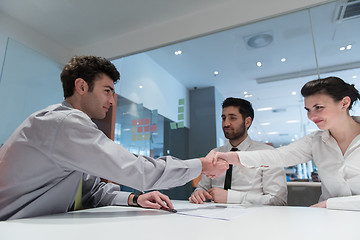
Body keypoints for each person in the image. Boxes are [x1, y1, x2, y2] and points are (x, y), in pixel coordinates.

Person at [0, 56, 228, 220]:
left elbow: (91, 191)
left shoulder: (70, 127)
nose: (112, 100)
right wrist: (202, 165)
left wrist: (134, 199)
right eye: (107, 90)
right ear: (81, 86)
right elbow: (140, 171)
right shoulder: (64, 123)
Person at [214, 77, 360, 211]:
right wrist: (227, 157)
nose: (311, 116)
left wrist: (330, 204)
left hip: (328, 210)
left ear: (344, 103)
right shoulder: (315, 140)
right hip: (329, 220)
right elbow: (279, 156)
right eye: (308, 110)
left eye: (319, 107)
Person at [189, 97, 287, 205]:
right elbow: (202, 188)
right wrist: (198, 193)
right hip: (213, 218)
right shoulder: (215, 153)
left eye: (232, 118)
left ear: (247, 122)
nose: (226, 123)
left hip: (252, 219)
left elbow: (278, 201)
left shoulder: (268, 154)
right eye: (224, 118)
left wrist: (231, 197)